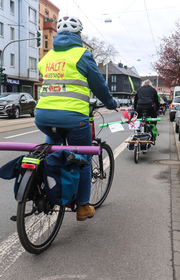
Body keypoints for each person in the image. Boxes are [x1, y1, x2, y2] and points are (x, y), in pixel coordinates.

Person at [35, 16, 118, 222]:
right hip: (73, 118)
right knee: (83, 159)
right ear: (79, 35)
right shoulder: (82, 54)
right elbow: (98, 85)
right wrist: (111, 103)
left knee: (49, 152)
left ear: (57, 36)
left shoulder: (47, 58)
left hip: (43, 116)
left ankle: (45, 188)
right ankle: (82, 206)